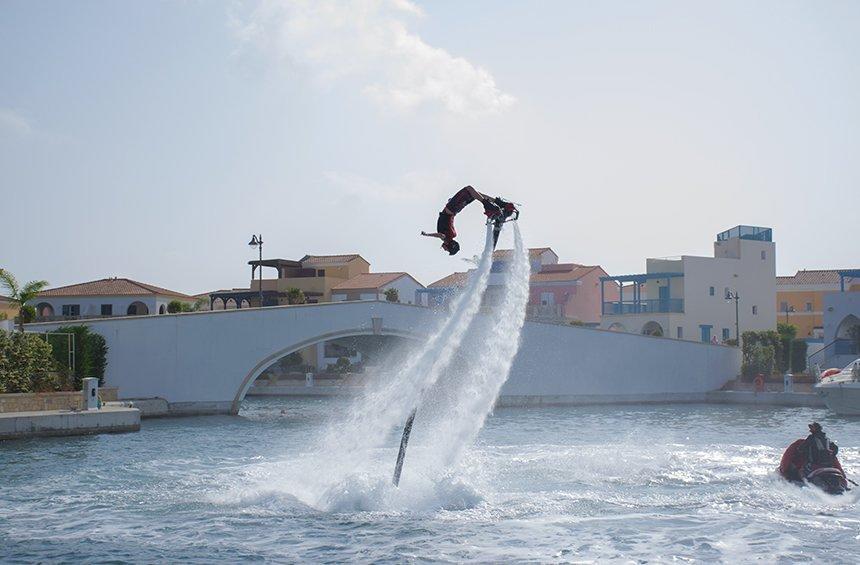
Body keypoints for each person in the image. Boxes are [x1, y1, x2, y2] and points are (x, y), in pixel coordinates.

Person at [421, 185, 501, 255]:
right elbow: (440, 235)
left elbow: (441, 234)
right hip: (452, 208)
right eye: (447, 250)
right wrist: (427, 234)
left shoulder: (450, 236)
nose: (445, 249)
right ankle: (491, 205)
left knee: (473, 194)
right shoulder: (448, 237)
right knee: (469, 189)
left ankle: (496, 203)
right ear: (450, 245)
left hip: (453, 209)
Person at [779, 422, 845, 483]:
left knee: (798, 472)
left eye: (811, 428)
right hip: (828, 465)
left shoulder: (810, 438)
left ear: (815, 429)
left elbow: (801, 449)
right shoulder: (827, 440)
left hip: (813, 466)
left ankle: (796, 482)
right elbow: (835, 449)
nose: (810, 430)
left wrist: (784, 471)